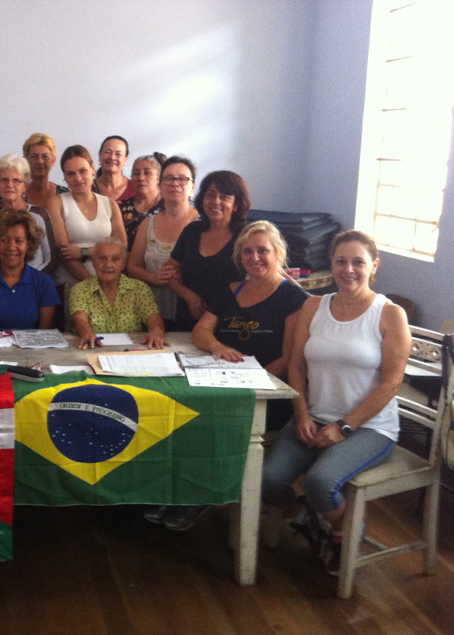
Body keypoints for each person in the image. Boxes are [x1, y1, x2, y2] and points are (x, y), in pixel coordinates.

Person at [262, 230, 411, 575]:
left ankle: (346, 531)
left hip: (368, 427)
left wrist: (344, 427)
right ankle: (307, 520)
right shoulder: (313, 305)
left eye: (358, 262)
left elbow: (391, 384)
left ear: (374, 266)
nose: (348, 269)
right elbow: (296, 366)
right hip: (313, 416)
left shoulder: (390, 314)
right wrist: (301, 414)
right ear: (331, 265)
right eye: (340, 261)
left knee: (320, 482)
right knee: (269, 481)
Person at [147, 222, 309, 531]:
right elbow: (200, 331)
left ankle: (200, 495)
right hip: (224, 380)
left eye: (263, 250)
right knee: (181, 410)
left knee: (211, 420)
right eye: (248, 251)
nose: (255, 257)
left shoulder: (293, 298)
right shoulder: (232, 289)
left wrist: (247, 378)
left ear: (278, 253)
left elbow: (289, 360)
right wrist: (219, 347)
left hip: (268, 393)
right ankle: (179, 489)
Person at [167, 170, 250, 331]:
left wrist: (308, 300)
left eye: (224, 197)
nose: (215, 201)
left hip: (229, 322)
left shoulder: (246, 235)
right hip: (187, 319)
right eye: (210, 195)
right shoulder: (192, 230)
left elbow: (271, 272)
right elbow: (170, 274)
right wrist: (190, 297)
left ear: (237, 205)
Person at [127, 155, 200, 330]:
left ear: (192, 187)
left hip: (192, 311)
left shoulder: (202, 224)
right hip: (150, 310)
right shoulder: (147, 223)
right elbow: (132, 266)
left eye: (182, 179)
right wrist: (154, 277)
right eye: (168, 178)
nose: (175, 183)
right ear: (160, 185)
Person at [0, 209, 60, 332]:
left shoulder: (44, 283)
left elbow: (44, 334)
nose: (11, 247)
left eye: (19, 241)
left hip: (32, 349)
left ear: (29, 245)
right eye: (5, 240)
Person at [48, 145, 127, 286]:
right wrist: (95, 285)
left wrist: (84, 251)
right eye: (71, 173)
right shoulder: (56, 203)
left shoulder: (110, 204)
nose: (78, 178)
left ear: (93, 169)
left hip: (110, 284)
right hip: (72, 286)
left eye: (82, 171)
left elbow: (122, 247)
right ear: (65, 176)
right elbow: (64, 253)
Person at [70, 238, 167, 350]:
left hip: (132, 352)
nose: (108, 264)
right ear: (93, 262)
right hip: (93, 349)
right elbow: (79, 319)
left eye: (115, 259)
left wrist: (157, 331)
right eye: (102, 258)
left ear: (123, 264)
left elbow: (154, 317)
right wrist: (86, 333)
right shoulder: (81, 289)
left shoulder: (139, 288)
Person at [0, 153, 58, 275]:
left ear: (25, 186)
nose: (10, 185)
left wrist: (30, 281)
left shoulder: (39, 215)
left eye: (16, 180)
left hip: (37, 284)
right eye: (4, 180)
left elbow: (52, 260)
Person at [119, 152, 167, 248]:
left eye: (147, 173)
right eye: (136, 173)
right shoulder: (120, 207)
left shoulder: (168, 207)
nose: (141, 178)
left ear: (159, 177)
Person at [22, 133, 70, 209]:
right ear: (25, 160)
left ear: (53, 160)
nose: (40, 161)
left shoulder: (66, 195)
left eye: (45, 156)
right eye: (34, 157)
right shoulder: (15, 195)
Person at [92, 135, 136, 203]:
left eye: (118, 154)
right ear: (100, 155)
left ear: (125, 160)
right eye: (107, 152)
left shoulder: (136, 188)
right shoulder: (88, 188)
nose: (112, 157)